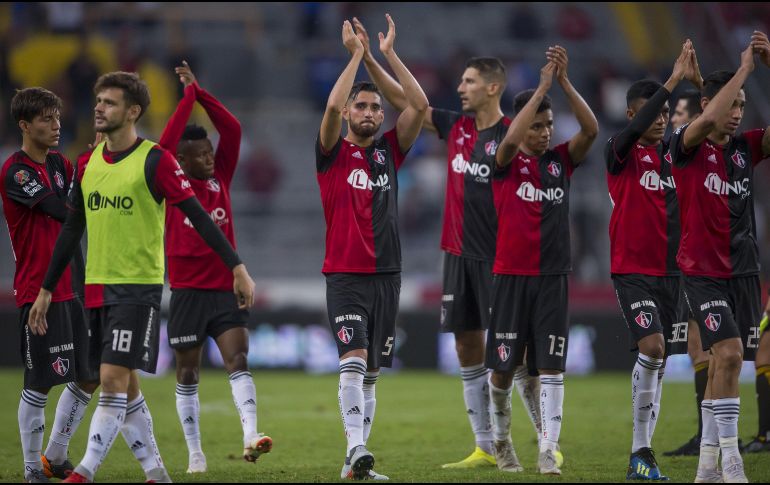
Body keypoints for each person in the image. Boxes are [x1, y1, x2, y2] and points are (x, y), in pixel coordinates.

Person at [26, 71, 257, 483]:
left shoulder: (157, 160)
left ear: (133, 111)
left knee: (112, 379)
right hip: (94, 290)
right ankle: (157, 473)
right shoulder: (87, 161)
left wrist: (237, 266)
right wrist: (46, 288)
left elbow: (201, 219)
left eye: (109, 102)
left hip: (137, 289)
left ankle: (84, 470)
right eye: (98, 100)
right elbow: (72, 230)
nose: (98, 107)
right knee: (124, 385)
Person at [353, 18, 543, 470]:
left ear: (493, 87)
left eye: (470, 81)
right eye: (461, 80)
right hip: (457, 256)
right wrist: (374, 57)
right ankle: (487, 445)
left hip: (499, 258)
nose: (460, 87)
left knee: (516, 354)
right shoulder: (456, 128)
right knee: (467, 347)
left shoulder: (511, 138)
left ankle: (545, 436)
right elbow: (406, 103)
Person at [316, 15, 427, 480]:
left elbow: (418, 106)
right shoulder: (331, 151)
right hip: (344, 273)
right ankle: (357, 447)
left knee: (374, 370)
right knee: (354, 360)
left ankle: (353, 464)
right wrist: (355, 54)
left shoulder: (388, 151)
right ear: (349, 113)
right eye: (360, 107)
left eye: (375, 109)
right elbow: (330, 108)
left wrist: (387, 55)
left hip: (388, 274)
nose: (369, 113)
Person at [487, 46, 597, 475]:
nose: (545, 132)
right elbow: (511, 138)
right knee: (503, 369)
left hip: (553, 276)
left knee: (550, 366)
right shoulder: (504, 160)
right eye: (537, 125)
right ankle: (501, 441)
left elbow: (590, 128)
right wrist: (542, 87)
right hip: (511, 276)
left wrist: (564, 83)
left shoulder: (560, 163)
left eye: (549, 125)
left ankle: (548, 449)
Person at [158, 61, 271, 473]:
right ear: (181, 160)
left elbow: (234, 130)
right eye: (199, 155)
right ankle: (195, 453)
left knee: (237, 359)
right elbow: (166, 141)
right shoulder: (170, 181)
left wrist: (201, 93)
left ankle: (250, 435)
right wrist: (186, 98)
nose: (208, 158)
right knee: (187, 373)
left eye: (209, 152)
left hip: (225, 288)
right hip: (187, 292)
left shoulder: (221, 176)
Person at [669, 31, 770, 483]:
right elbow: (706, 117)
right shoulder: (685, 147)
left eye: (742, 107)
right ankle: (732, 460)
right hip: (702, 272)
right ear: (711, 104)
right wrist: (745, 67)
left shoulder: (746, 149)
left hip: (744, 270)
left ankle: (707, 465)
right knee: (726, 355)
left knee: (726, 365)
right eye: (731, 105)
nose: (736, 114)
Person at [604, 41, 700, 479]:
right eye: (653, 113)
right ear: (632, 116)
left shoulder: (677, 155)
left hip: (673, 273)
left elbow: (708, 127)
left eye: (666, 114)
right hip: (632, 271)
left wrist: (697, 88)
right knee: (654, 347)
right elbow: (643, 121)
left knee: (659, 361)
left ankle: (644, 455)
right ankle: (640, 451)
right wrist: (672, 81)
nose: (661, 119)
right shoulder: (619, 152)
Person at [1, 87, 99, 483]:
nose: (57, 125)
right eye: (46, 118)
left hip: (75, 284)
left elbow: (86, 205)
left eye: (58, 117)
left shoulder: (61, 163)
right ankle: (30, 470)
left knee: (89, 374)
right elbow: (63, 210)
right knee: (40, 383)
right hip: (39, 290)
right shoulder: (16, 171)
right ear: (25, 125)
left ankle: (56, 454)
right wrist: (90, 169)